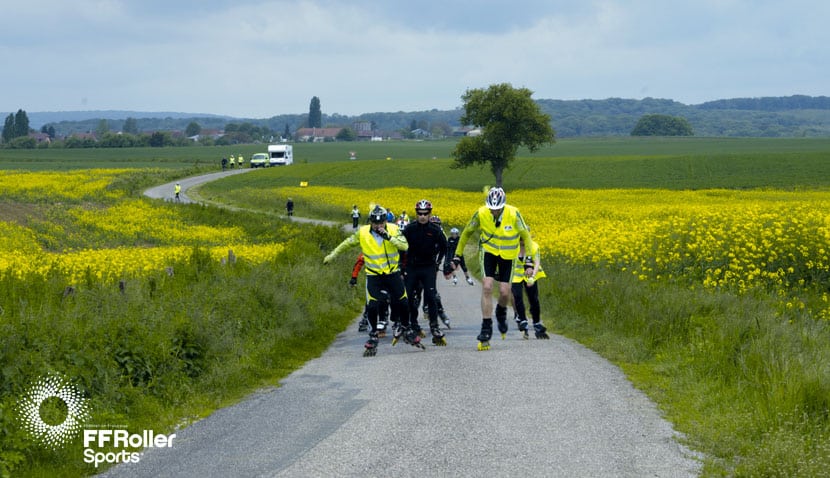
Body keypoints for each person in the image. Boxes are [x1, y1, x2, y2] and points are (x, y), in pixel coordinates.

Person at [324, 205, 423, 356]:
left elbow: (404, 246)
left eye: (381, 223)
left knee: (403, 301)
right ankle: (373, 334)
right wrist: (333, 255)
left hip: (392, 273)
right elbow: (347, 243)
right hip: (374, 275)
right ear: (370, 221)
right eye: (375, 223)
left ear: (385, 221)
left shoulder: (394, 229)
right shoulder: (363, 232)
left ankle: (406, 328)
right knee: (373, 305)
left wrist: (388, 237)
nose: (378, 226)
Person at [450, 187, 532, 350]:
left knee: (504, 292)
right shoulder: (481, 213)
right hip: (488, 252)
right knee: (487, 287)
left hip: (508, 256)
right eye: (491, 209)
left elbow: (526, 236)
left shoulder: (514, 213)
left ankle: (501, 311)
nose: (494, 212)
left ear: (503, 205)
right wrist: (457, 255)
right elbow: (466, 233)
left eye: (497, 209)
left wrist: (528, 260)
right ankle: (486, 327)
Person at [402, 200, 448, 346]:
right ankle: (413, 324)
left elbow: (444, 247)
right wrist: (401, 266)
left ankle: (434, 327)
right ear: (416, 214)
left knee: (431, 296)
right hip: (412, 267)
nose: (422, 216)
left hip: (428, 267)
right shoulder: (409, 229)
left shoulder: (435, 230)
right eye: (420, 213)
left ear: (430, 214)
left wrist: (438, 262)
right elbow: (400, 248)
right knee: (409, 297)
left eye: (425, 214)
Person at [511, 237, 550, 340]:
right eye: (520, 238)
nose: (521, 241)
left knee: (533, 299)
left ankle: (536, 322)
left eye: (523, 238)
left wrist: (532, 276)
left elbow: (537, 262)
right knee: (517, 296)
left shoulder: (533, 246)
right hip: (516, 275)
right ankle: (523, 320)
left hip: (530, 275)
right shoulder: (512, 245)